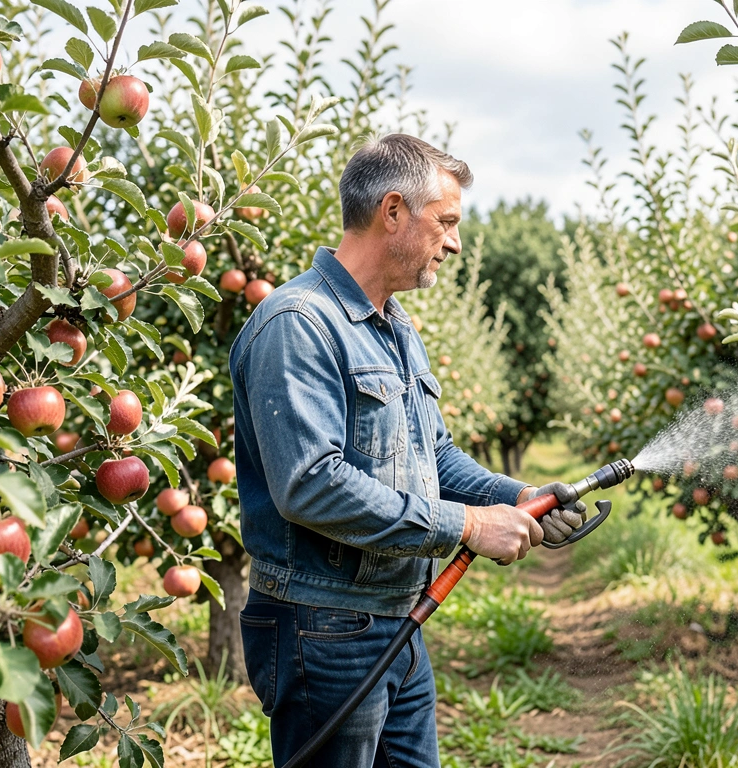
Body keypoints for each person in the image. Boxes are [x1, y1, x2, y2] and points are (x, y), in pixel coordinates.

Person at [229, 134, 586, 767]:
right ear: (392, 211)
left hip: (399, 619)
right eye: (445, 222)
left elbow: (433, 456)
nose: (455, 243)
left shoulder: (394, 327)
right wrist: (469, 525)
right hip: (324, 627)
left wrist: (518, 497)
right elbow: (311, 483)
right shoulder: (299, 324)